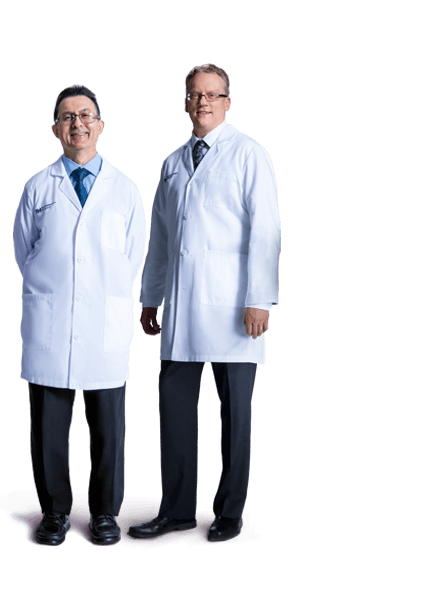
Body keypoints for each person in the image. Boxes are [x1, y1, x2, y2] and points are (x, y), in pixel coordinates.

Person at [128, 64, 281, 542]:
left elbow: (266, 229)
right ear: (185, 102)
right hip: (182, 304)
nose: (203, 102)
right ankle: (175, 511)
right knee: (174, 413)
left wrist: (260, 299)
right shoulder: (172, 162)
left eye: (213, 95)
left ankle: (229, 512)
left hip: (235, 305)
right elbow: (160, 236)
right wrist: (150, 296)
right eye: (195, 95)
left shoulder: (249, 154)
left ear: (228, 102)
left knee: (235, 416)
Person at [13, 85, 146, 546]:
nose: (77, 124)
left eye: (85, 115)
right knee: (48, 428)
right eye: (67, 117)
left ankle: (105, 513)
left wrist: (101, 288)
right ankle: (54, 514)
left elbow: (132, 256)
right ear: (56, 129)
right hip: (51, 322)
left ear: (100, 126)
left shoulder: (124, 189)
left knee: (108, 429)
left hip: (104, 323)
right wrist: (54, 286)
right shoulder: (38, 186)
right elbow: (24, 252)